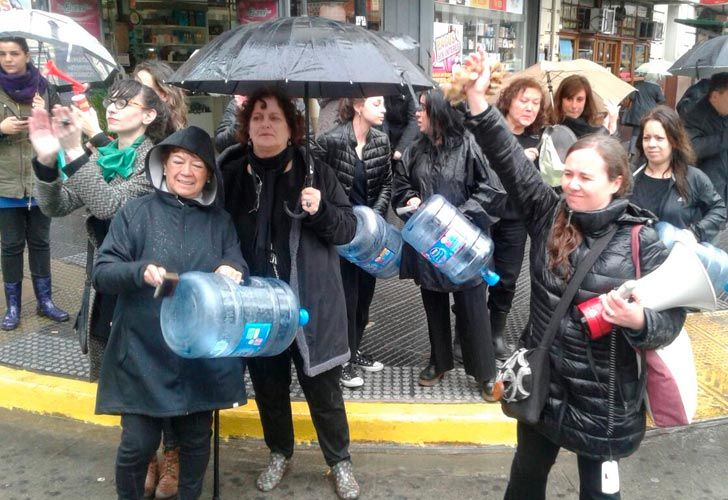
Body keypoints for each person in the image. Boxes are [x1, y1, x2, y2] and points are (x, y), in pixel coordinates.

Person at [461, 50, 687, 500]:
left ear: (615, 183)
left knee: (598, 494)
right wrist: (476, 98)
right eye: (567, 174)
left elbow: (671, 322)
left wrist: (638, 322)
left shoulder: (642, 244)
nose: (572, 185)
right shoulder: (550, 214)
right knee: (525, 481)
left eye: (585, 177)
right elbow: (510, 160)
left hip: (602, 402)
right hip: (543, 384)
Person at [90, 125, 247, 500]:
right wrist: (138, 271)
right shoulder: (135, 212)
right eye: (178, 161)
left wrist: (232, 269)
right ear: (163, 164)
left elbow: (237, 262)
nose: (186, 171)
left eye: (197, 164)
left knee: (195, 441)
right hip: (143, 349)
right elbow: (102, 272)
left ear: (209, 175)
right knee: (137, 444)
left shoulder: (220, 222)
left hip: (199, 355)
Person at [219, 88, 360, 499]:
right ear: (247, 125)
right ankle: (279, 451)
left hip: (309, 304)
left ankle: (339, 461)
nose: (265, 124)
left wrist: (323, 211)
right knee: (268, 388)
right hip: (258, 306)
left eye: (275, 117)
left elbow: (348, 230)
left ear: (292, 127)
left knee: (324, 390)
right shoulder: (231, 172)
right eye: (258, 116)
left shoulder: (314, 170)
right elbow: (216, 229)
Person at [28, 79, 169, 383]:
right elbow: (57, 205)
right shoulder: (101, 157)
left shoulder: (156, 160)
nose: (112, 109)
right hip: (105, 275)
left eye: (123, 103)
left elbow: (110, 206)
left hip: (143, 279)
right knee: (109, 368)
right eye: (110, 103)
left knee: (145, 373)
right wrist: (46, 161)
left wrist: (75, 150)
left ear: (148, 115)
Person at [392, 88, 506, 400]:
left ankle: (484, 372)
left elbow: (492, 189)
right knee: (434, 304)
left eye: (424, 108)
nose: (418, 113)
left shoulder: (470, 145)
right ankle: (439, 360)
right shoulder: (416, 149)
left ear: (440, 112)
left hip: (463, 240)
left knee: (472, 307)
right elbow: (400, 185)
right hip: (429, 242)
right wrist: (408, 198)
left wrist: (456, 216)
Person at [132, 59, 191, 500]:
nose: (132, 99)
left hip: (165, 271)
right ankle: (147, 454)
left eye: (144, 91)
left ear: (162, 100)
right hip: (122, 269)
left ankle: (172, 453)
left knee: (167, 361)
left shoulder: (175, 149)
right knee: (133, 368)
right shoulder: (117, 143)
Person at [313, 96, 391, 388]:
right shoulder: (331, 141)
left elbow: (387, 182)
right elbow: (317, 182)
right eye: (377, 104)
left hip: (370, 235)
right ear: (359, 106)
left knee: (364, 297)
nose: (384, 110)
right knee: (344, 298)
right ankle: (341, 359)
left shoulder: (381, 142)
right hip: (342, 233)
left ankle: (354, 350)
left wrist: (375, 216)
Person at [0, 36, 68, 330]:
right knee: (11, 245)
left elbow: (65, 128)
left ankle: (45, 302)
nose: (7, 59)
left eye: (14, 53)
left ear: (27, 55)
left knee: (40, 242)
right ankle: (13, 306)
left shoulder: (44, 87)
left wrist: (46, 115)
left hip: (41, 179)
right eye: (2, 54)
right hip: (5, 184)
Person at [486, 76, 547, 362]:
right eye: (524, 100)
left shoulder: (540, 138)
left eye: (536, 103)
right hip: (483, 213)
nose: (530, 108)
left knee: (507, 277)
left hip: (516, 217)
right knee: (473, 275)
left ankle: (495, 333)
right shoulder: (491, 133)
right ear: (508, 100)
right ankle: (465, 334)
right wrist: (517, 158)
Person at [632, 105, 726, 242]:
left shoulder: (693, 177)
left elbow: (718, 209)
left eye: (659, 138)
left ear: (674, 141)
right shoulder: (631, 175)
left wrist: (695, 233)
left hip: (676, 257)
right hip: (635, 257)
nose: (651, 144)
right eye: (646, 138)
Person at [682, 72, 728, 211]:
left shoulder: (724, 110)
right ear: (715, 96)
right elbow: (692, 148)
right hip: (709, 185)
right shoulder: (695, 115)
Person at [552, 75, 619, 138]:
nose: (574, 106)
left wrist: (612, 125)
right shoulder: (552, 128)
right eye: (569, 99)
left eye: (579, 100)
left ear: (586, 101)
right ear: (560, 100)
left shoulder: (593, 124)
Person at [133, 60, 188, 134]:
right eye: (133, 86)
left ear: (164, 95)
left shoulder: (165, 136)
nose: (133, 92)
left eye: (143, 88)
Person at [621, 77, 666, 155]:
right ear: (654, 78)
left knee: (635, 132)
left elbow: (632, 97)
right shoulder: (656, 87)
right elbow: (661, 100)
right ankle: (645, 151)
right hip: (649, 113)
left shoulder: (638, 85)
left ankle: (631, 151)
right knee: (648, 131)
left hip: (637, 112)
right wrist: (661, 92)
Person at [382, 93, 419, 163]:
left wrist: (401, 148)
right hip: (390, 135)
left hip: (407, 138)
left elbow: (414, 121)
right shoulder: (387, 90)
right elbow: (384, 118)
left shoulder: (412, 93)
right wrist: (385, 143)